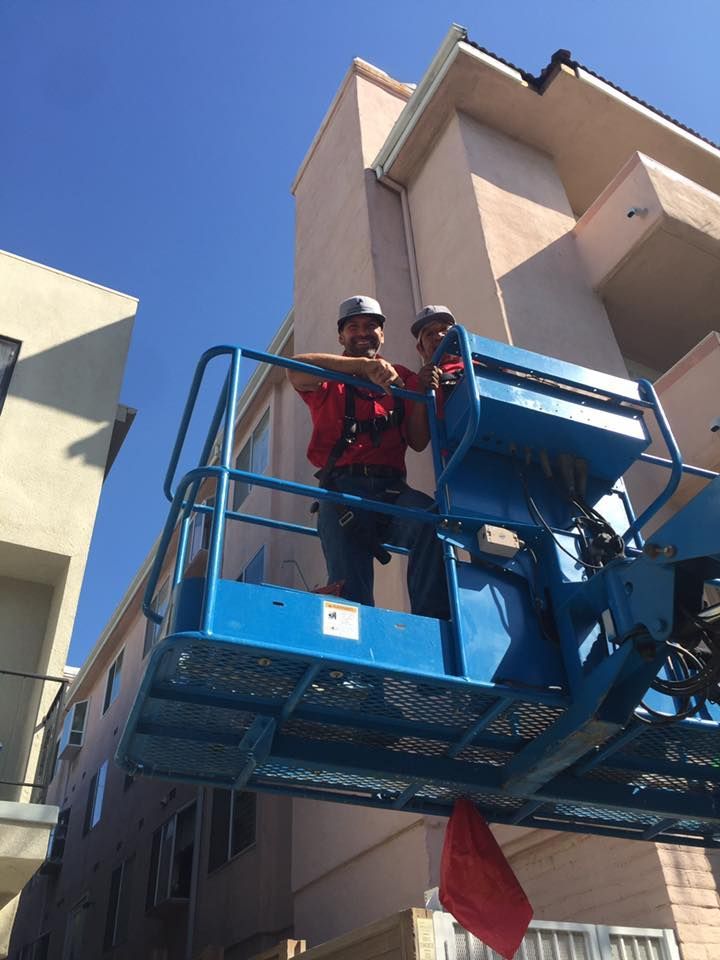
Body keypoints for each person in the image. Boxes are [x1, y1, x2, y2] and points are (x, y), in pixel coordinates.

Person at [288, 295, 449, 619]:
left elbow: (418, 441)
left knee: (432, 523)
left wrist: (423, 393)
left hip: (391, 491)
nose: (363, 332)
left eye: (371, 326)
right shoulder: (328, 376)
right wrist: (361, 366)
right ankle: (351, 661)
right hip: (342, 492)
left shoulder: (403, 378)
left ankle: (431, 626)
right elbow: (295, 371)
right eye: (353, 327)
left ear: (382, 335)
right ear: (341, 337)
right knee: (351, 593)